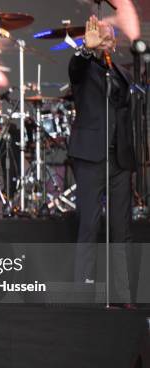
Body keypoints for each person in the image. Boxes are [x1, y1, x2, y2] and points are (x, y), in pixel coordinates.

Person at [68, 16, 134, 303]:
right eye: (99, 37)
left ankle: (122, 292)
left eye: (108, 38)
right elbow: (76, 67)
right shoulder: (84, 69)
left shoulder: (121, 73)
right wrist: (85, 48)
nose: (103, 42)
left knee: (122, 228)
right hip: (90, 155)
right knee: (89, 224)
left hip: (118, 159)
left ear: (114, 43)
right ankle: (83, 290)